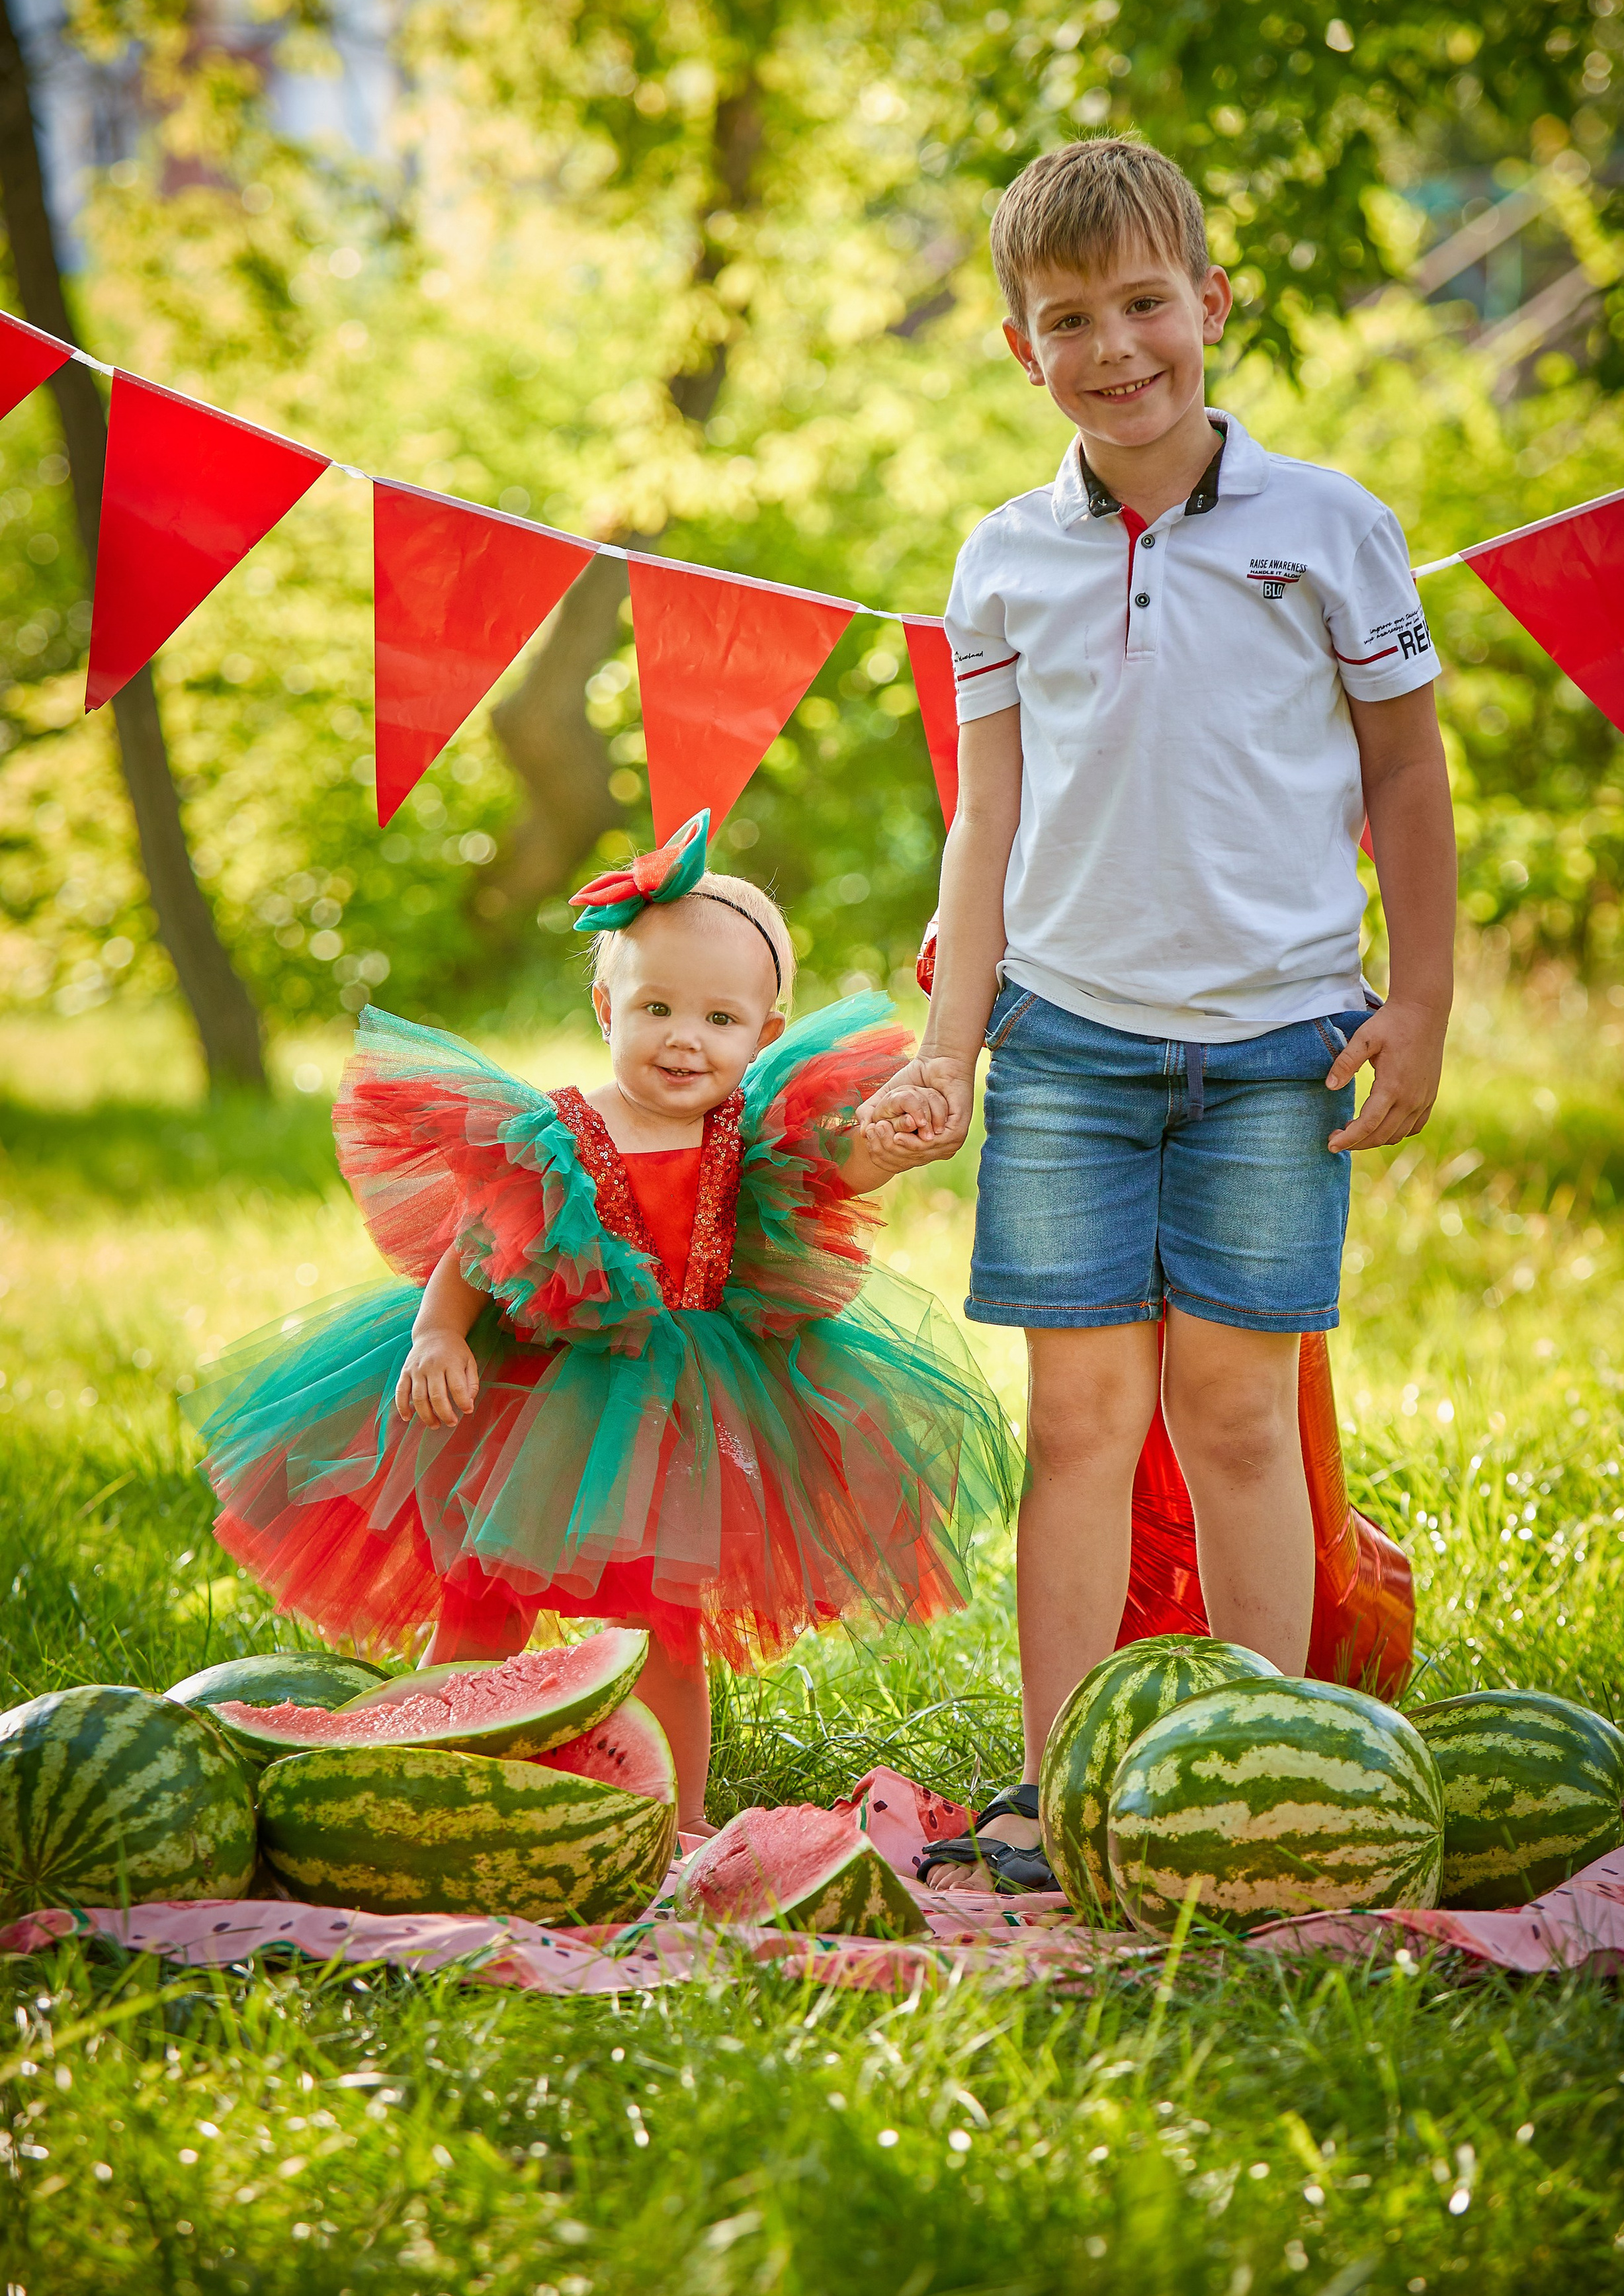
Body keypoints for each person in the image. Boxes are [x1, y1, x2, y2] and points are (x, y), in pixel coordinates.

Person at [859, 138, 1457, 1892]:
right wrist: (947, 1048)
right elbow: (985, 817)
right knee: (1079, 1429)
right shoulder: (1001, 563)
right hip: (1067, 1050)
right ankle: (1062, 1789)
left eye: (1143, 304)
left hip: (1282, 1046)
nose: (1115, 347)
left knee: (1245, 1423)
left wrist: (1419, 1000)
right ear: (1016, 346)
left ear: (1209, 301)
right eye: (1068, 320)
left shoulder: (1331, 529)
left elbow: (1410, 782)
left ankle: (1271, 1781)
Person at [194, 811, 1017, 1834]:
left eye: (720, 1020)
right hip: (530, 1400)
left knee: (663, 1629)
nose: (684, 1038)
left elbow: (823, 1178)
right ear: (605, 1007)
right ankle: (428, 1778)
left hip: (682, 1409)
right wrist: (437, 1333)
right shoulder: (555, 1133)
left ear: (765, 1034)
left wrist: (882, 1152)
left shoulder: (750, 1134)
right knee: (480, 1600)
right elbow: (479, 1240)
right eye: (657, 1006)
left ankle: (675, 1814)